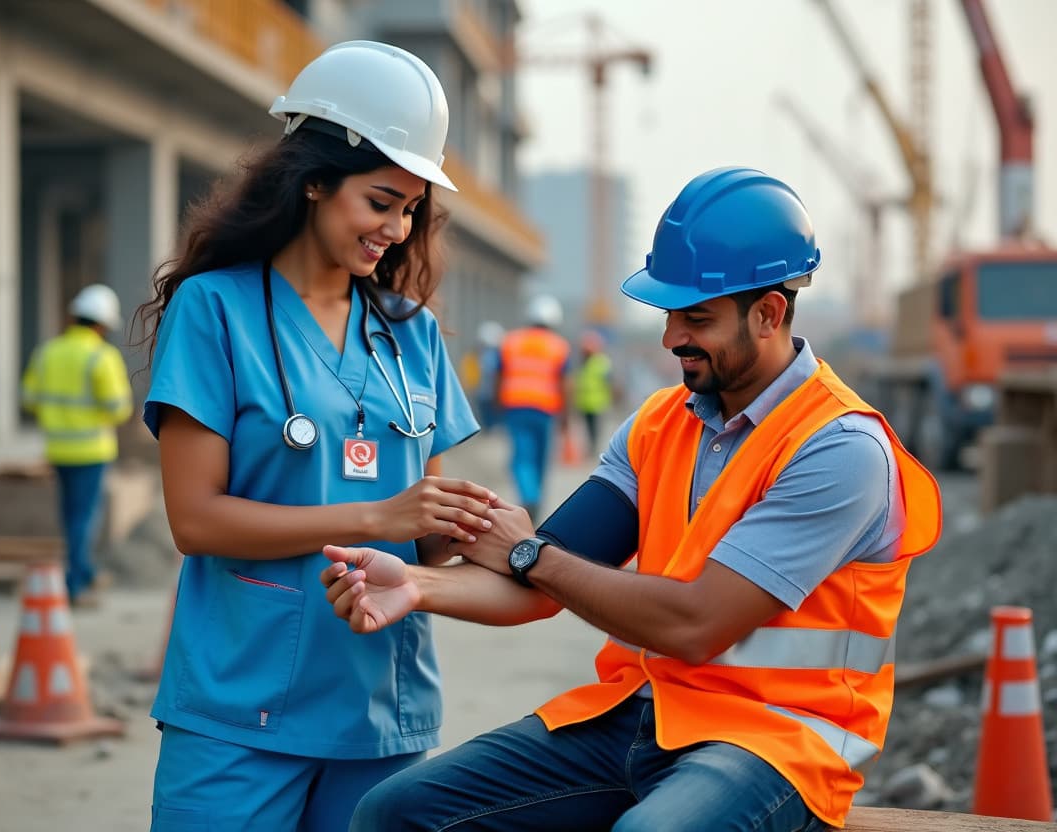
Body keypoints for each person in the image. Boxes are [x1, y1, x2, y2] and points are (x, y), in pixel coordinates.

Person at [322, 167, 944, 831]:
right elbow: (542, 583)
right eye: (670, 313)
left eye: (696, 317)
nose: (673, 336)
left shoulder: (840, 449)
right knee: (396, 813)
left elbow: (693, 624)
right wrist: (416, 585)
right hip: (646, 711)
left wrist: (529, 552)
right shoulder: (661, 421)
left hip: (780, 742)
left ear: (768, 313)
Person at [134, 41, 496, 832]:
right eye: (380, 202)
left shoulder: (414, 335)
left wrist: (495, 535)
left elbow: (428, 531)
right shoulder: (215, 310)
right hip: (240, 706)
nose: (397, 229)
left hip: (382, 713)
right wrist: (375, 518)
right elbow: (195, 521)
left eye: (410, 209)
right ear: (313, 183)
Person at [21, 283, 133, 607]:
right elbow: (119, 409)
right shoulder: (102, 356)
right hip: (91, 450)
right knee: (84, 518)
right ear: (102, 324)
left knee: (71, 515)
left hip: (57, 449)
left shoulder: (47, 352)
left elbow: (28, 398)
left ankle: (84, 571)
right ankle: (75, 584)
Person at [496, 295, 570, 521]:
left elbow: (498, 374)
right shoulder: (559, 345)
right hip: (546, 409)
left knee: (521, 457)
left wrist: (496, 402)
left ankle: (529, 495)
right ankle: (535, 499)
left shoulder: (510, 341)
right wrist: (566, 414)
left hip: (516, 406)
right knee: (540, 458)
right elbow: (565, 383)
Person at [572, 328, 616, 457]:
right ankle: (590, 448)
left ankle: (592, 449)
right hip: (585, 402)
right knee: (587, 428)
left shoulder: (601, 362)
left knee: (594, 429)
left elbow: (609, 381)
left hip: (597, 402)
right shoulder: (583, 362)